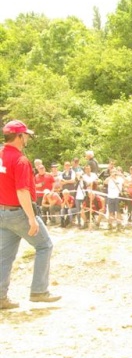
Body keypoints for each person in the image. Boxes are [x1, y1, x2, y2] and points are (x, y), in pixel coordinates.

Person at [0, 120, 60, 309]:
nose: (27, 138)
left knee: (5, 256)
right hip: (18, 212)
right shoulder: (20, 160)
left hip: (2, 212)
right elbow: (22, 192)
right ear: (19, 136)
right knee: (44, 245)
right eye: (25, 135)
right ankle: (39, 291)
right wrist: (32, 219)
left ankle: (1, 297)